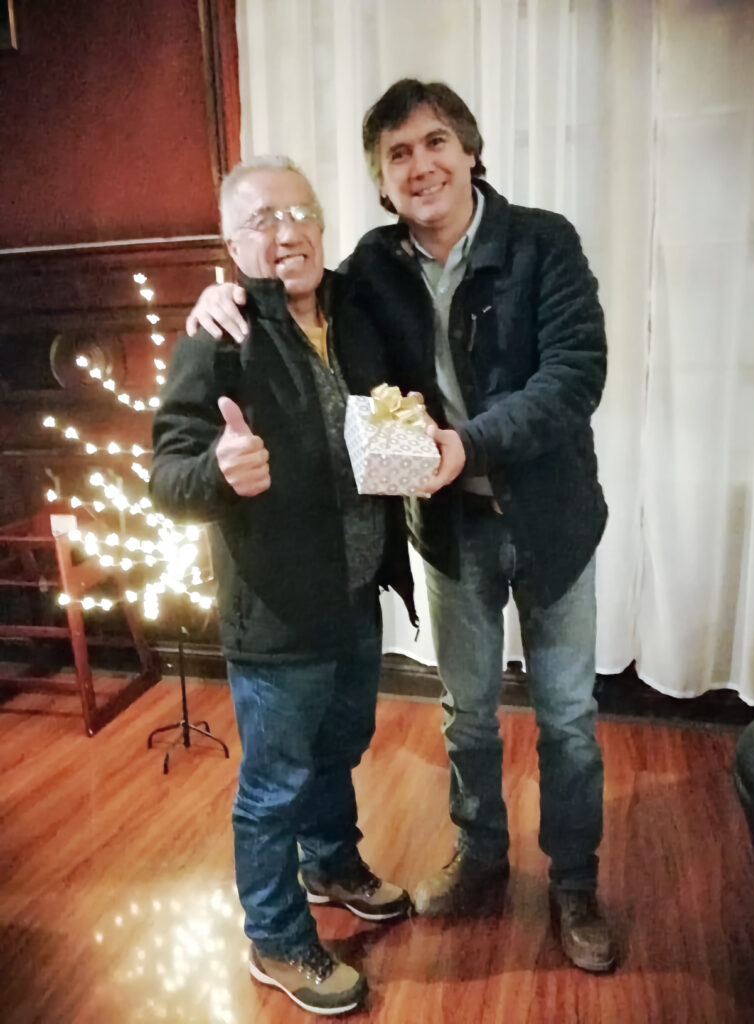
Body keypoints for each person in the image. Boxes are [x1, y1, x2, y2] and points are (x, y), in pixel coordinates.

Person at [187, 79, 615, 973]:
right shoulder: (373, 270)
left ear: (469, 151)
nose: (420, 165)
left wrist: (467, 444)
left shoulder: (543, 242)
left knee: (569, 717)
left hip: (552, 518)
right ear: (381, 182)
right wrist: (220, 298)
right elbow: (292, 292)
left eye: (434, 143)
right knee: (468, 714)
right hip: (453, 527)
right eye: (397, 154)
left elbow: (575, 376)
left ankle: (575, 880)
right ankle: (482, 854)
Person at [151, 156, 415, 1016]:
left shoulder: (355, 312)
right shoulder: (217, 336)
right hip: (274, 611)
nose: (287, 230)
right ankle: (274, 935)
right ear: (232, 244)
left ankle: (330, 862)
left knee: (339, 745)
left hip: (357, 592)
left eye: (300, 211)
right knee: (273, 786)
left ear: (323, 224)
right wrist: (220, 472)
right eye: (262, 219)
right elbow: (167, 473)